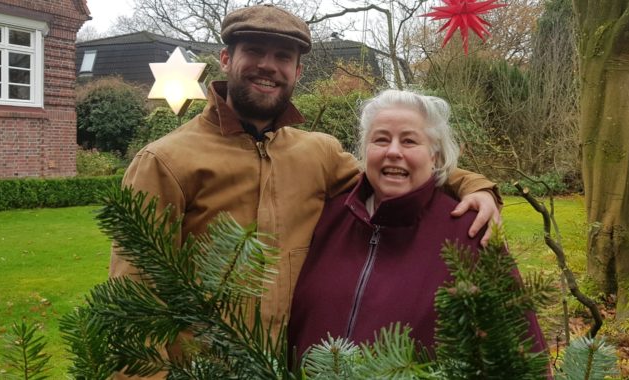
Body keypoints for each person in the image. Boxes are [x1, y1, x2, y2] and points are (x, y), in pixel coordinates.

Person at [109, 5, 502, 379]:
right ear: (226, 60)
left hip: (294, 368)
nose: (268, 65)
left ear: (297, 71)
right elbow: (133, 299)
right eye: (254, 51)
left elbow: (391, 172)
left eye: (283, 56)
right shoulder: (166, 162)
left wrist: (472, 184)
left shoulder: (319, 153)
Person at [288, 89, 547, 357]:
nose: (393, 151)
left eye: (409, 141)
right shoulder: (329, 218)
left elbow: (521, 354)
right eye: (381, 139)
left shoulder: (469, 231)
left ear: (434, 156)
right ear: (366, 150)